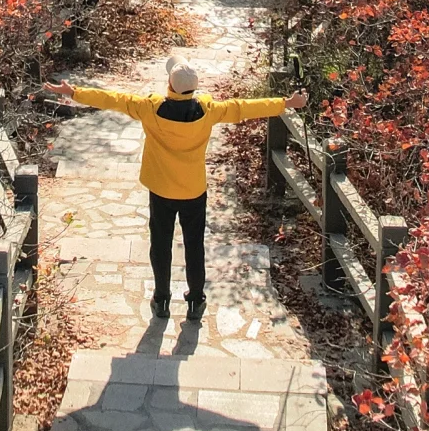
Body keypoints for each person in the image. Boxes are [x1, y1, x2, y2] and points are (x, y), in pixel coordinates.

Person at [44, 55, 307, 323]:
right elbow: (244, 108)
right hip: (193, 189)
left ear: (169, 84)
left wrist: (74, 92)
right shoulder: (208, 110)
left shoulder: (149, 107)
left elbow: (113, 99)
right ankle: (195, 301)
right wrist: (286, 103)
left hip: (161, 189)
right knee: (194, 246)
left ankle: (161, 299)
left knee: (160, 245)